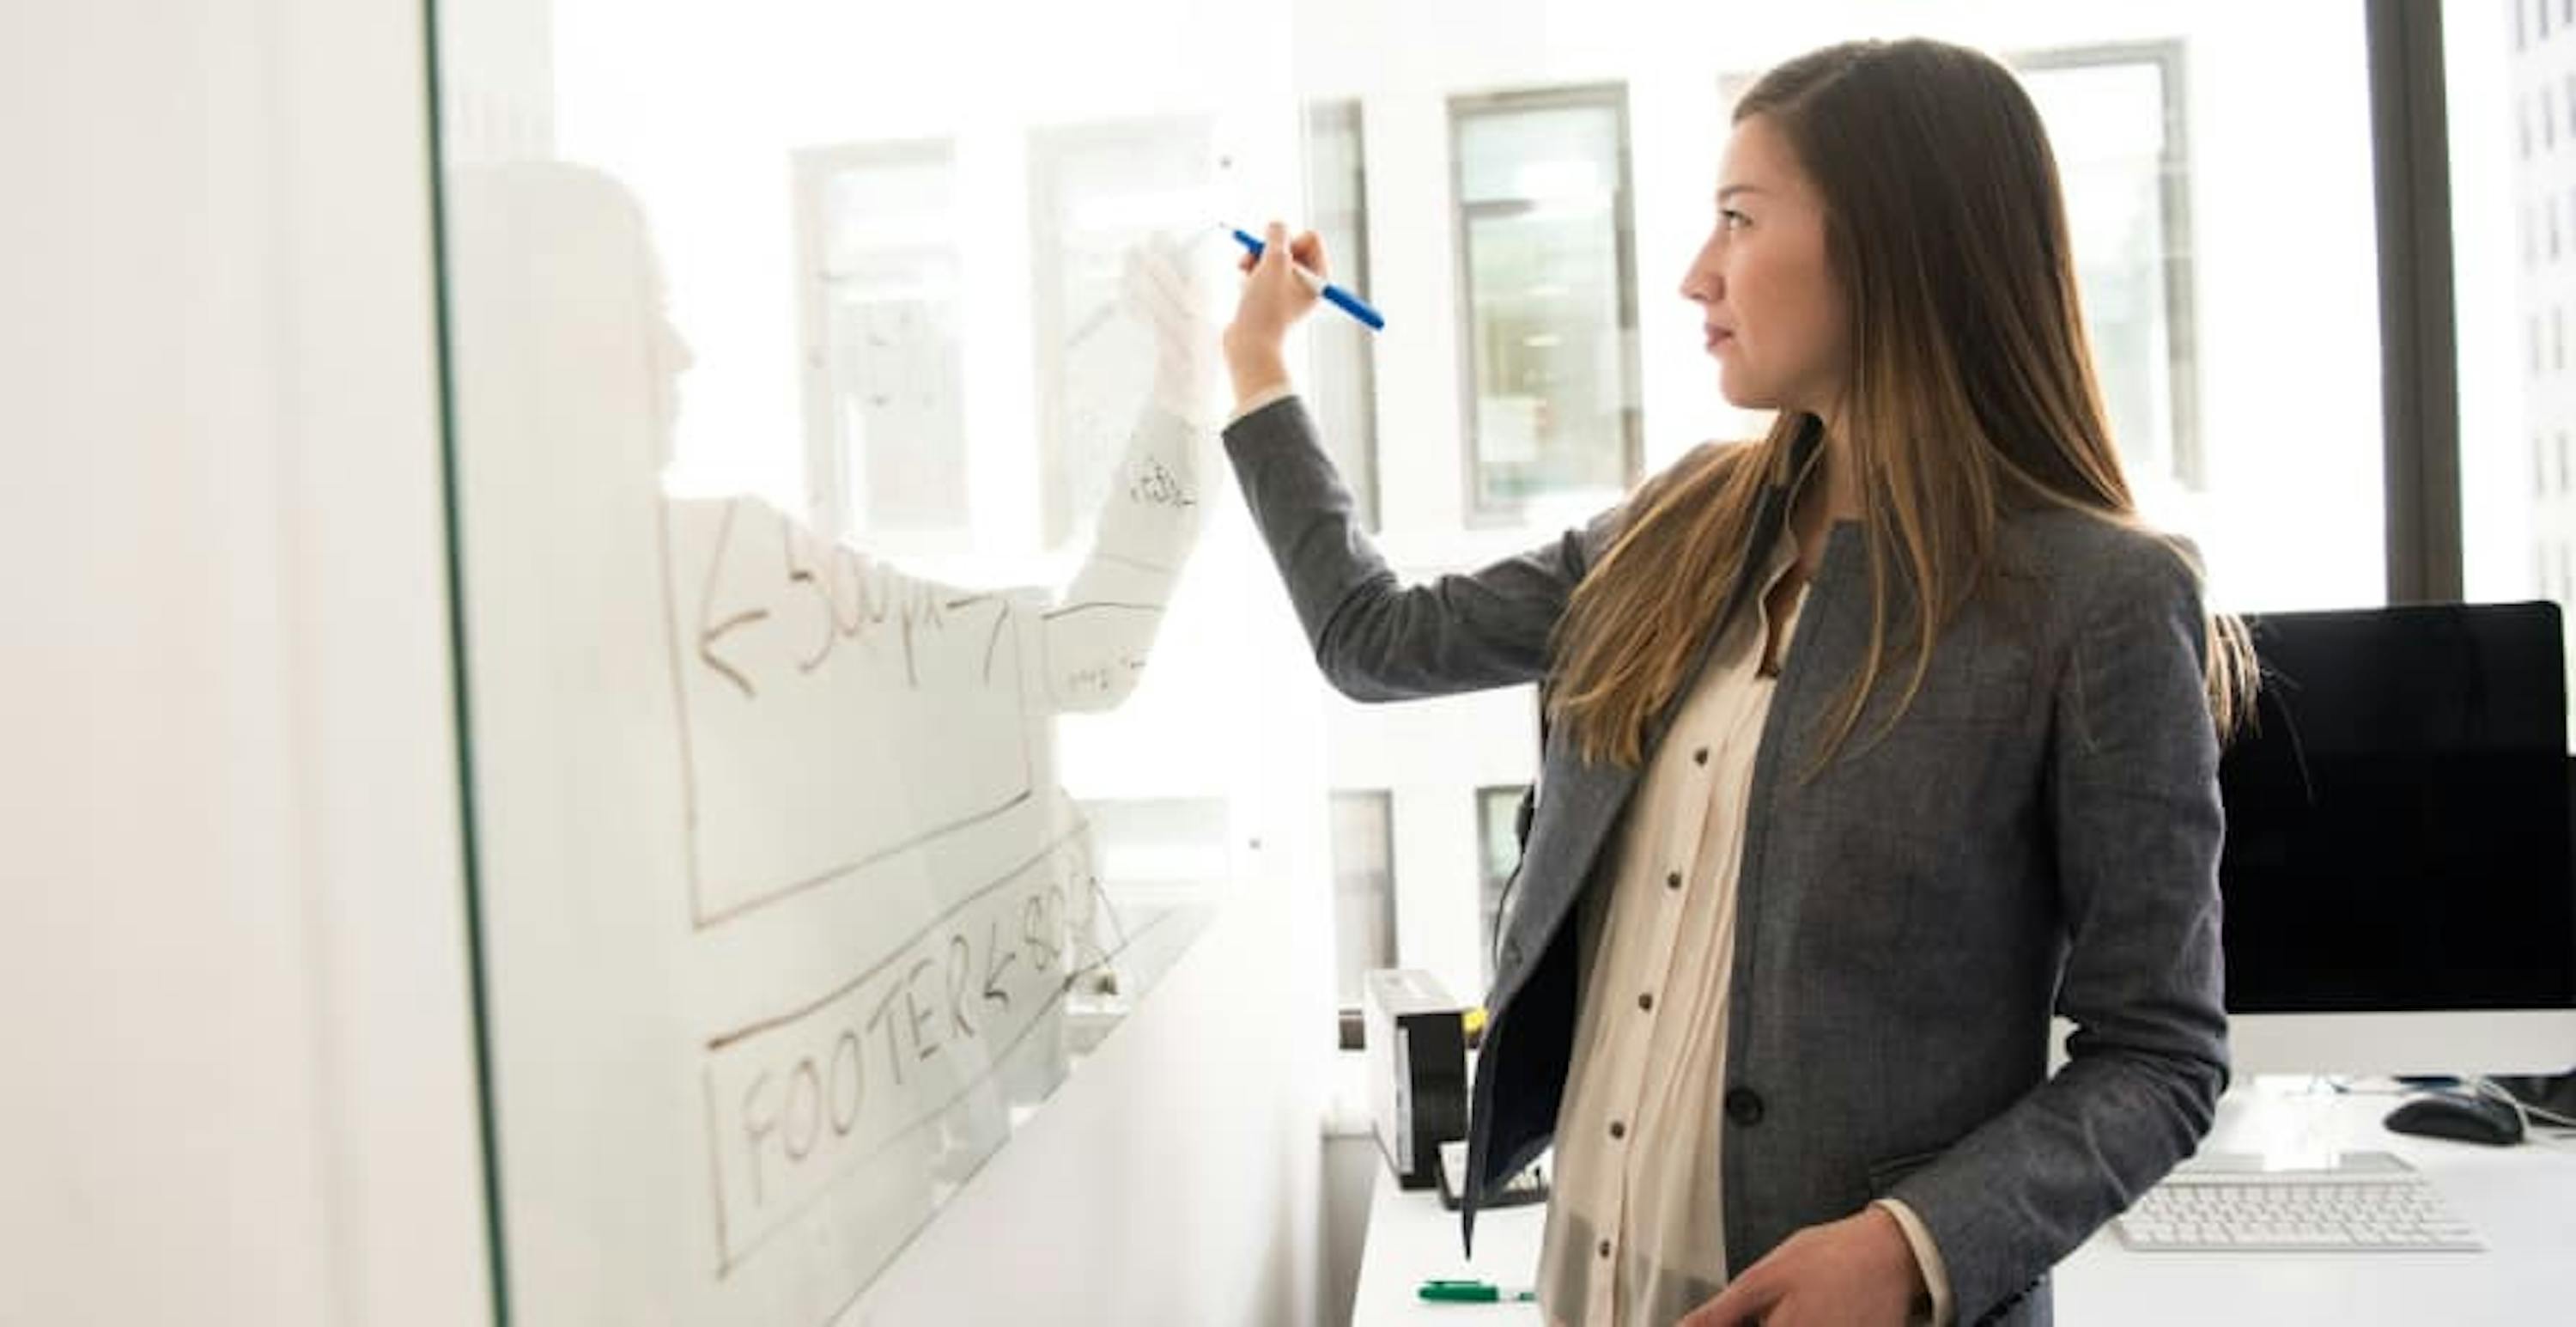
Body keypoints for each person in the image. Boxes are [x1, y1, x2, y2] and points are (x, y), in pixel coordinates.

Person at [1218, 37, 2253, 1327]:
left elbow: (2159, 1052)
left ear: (1892, 245)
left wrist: (1909, 1246)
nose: (1695, 272)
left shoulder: (2094, 600)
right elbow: (1372, 638)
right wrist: (1261, 369)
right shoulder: (1677, 527)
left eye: (1738, 218)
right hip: (1589, 1280)